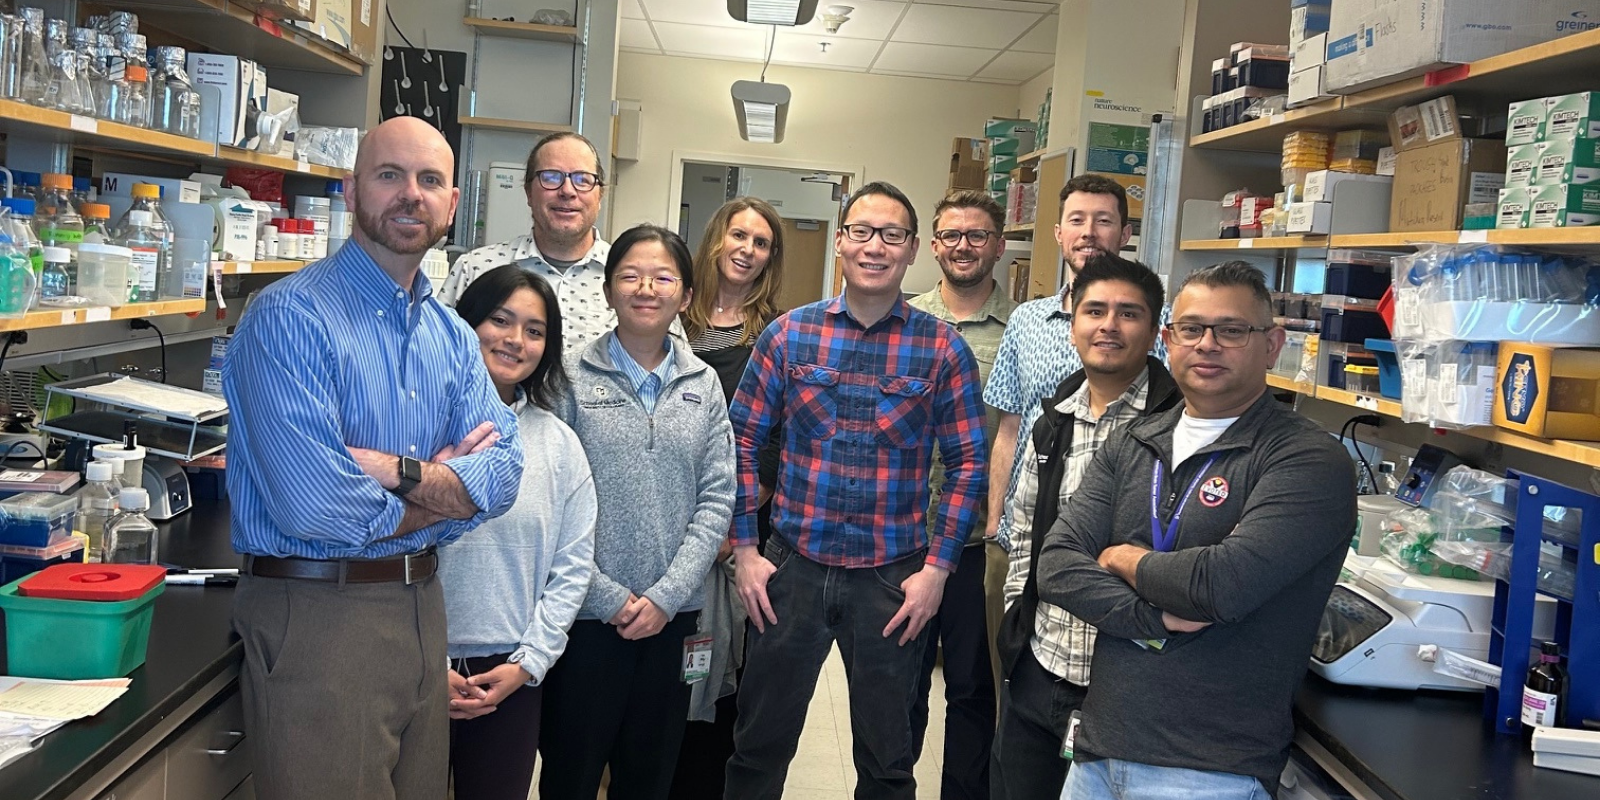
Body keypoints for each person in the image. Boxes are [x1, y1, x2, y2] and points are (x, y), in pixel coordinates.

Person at [223, 116, 523, 800]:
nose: (411, 194)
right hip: (320, 615)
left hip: (423, 609)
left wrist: (395, 472)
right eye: (390, 175)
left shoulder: (450, 335)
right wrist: (450, 494)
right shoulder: (289, 318)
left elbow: (504, 472)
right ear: (353, 190)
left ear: (452, 203)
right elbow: (316, 507)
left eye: (430, 180)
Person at [1035, 261, 1356, 800]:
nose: (1208, 344)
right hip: (1099, 753)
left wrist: (1120, 558)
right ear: (1168, 341)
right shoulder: (1134, 440)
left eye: (1232, 330)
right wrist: (1154, 616)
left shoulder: (1307, 458)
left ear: (1272, 345)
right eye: (1191, 328)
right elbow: (1057, 566)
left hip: (1210, 771)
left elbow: (1220, 584)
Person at [725, 181, 989, 800]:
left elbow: (968, 464)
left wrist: (937, 571)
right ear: (841, 242)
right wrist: (745, 551)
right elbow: (738, 443)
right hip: (792, 570)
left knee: (888, 761)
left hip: (892, 581)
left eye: (892, 235)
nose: (876, 247)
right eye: (862, 232)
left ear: (913, 249)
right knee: (757, 749)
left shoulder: (942, 348)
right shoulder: (788, 336)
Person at [539, 224, 736, 800]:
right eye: (630, 276)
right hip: (583, 617)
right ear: (608, 291)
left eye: (663, 278)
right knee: (570, 775)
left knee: (650, 779)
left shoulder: (704, 383)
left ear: (687, 295)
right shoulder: (567, 377)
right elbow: (551, 501)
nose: (646, 289)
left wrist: (665, 597)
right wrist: (608, 598)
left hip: (673, 619)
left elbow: (717, 497)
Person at [990, 254, 1177, 800]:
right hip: (1042, 666)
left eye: (1128, 314)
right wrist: (1019, 624)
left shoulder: (1178, 426)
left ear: (1155, 333)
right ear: (1072, 326)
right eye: (1094, 311)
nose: (1109, 326)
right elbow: (1026, 532)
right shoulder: (1054, 419)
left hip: (1130, 686)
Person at [440, 265, 597, 800]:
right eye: (500, 320)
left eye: (534, 331)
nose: (515, 340)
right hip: (413, 659)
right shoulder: (416, 425)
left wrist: (529, 663)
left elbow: (572, 566)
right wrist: (425, 662)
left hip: (512, 671)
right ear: (466, 324)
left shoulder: (558, 443)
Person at [671, 197, 787, 800]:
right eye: (739, 235)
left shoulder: (774, 333)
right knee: (664, 674)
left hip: (735, 531)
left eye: (761, 242)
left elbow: (774, 443)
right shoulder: (673, 317)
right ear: (717, 237)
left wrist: (728, 527)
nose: (747, 249)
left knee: (725, 670)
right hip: (662, 518)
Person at [985, 175, 1165, 555]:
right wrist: (995, 520)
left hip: (1115, 540)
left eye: (1103, 220)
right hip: (1023, 531)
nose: (1089, 233)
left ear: (1125, 233)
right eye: (1077, 220)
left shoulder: (1157, 326)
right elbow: (1009, 428)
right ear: (1058, 233)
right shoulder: (1026, 320)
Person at [906, 189, 1016, 800]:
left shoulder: (1021, 327)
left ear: (998, 246)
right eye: (951, 235)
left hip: (977, 539)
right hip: (905, 536)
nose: (963, 246)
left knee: (973, 689)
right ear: (933, 245)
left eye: (977, 235)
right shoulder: (905, 319)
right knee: (900, 685)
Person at [441, 132, 625, 349]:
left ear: (600, 195)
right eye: (551, 177)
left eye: (582, 180)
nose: (567, 191)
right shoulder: (474, 269)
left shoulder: (630, 280)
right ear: (528, 192)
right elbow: (435, 355)